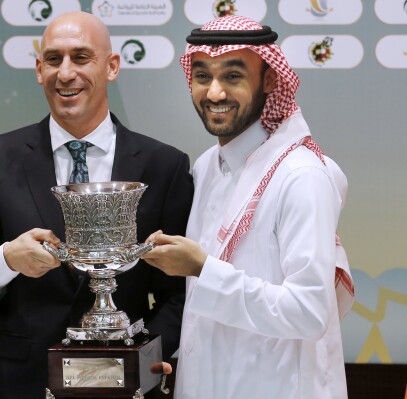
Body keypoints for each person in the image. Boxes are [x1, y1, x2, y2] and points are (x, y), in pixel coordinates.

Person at [0, 11, 193, 399]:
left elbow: (177, 294)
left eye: (81, 57)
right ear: (39, 70)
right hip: (17, 385)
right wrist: (7, 260)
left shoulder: (164, 166)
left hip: (123, 387)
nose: (66, 73)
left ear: (111, 67)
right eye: (54, 59)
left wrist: (145, 353)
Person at [142, 15, 355, 399]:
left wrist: (202, 269)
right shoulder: (207, 165)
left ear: (270, 80)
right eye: (203, 76)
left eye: (233, 76)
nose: (215, 93)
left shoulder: (300, 176)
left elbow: (309, 312)